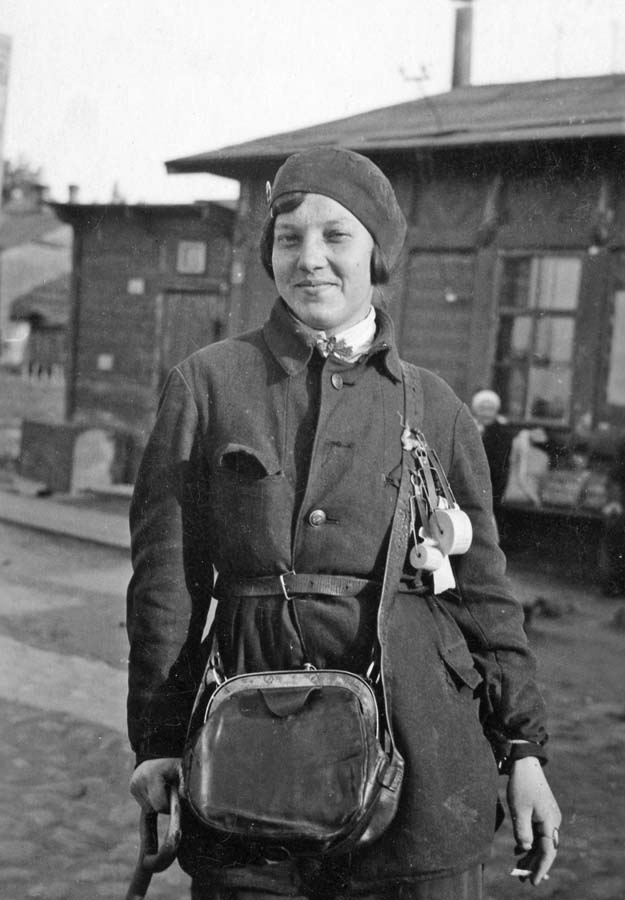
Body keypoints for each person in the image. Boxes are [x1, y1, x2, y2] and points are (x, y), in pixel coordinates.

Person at [126, 147, 560, 900]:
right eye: (289, 238)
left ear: (376, 254)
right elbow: (166, 587)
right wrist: (158, 742)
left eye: (336, 236)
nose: (310, 260)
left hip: (420, 768)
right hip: (250, 762)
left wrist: (522, 751)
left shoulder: (436, 409)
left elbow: (483, 596)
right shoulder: (208, 385)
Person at [470, 390, 513, 534]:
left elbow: (501, 462)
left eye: (490, 409)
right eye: (482, 409)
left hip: (494, 480)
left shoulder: (502, 431)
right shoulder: (470, 428)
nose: (486, 414)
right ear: (476, 410)